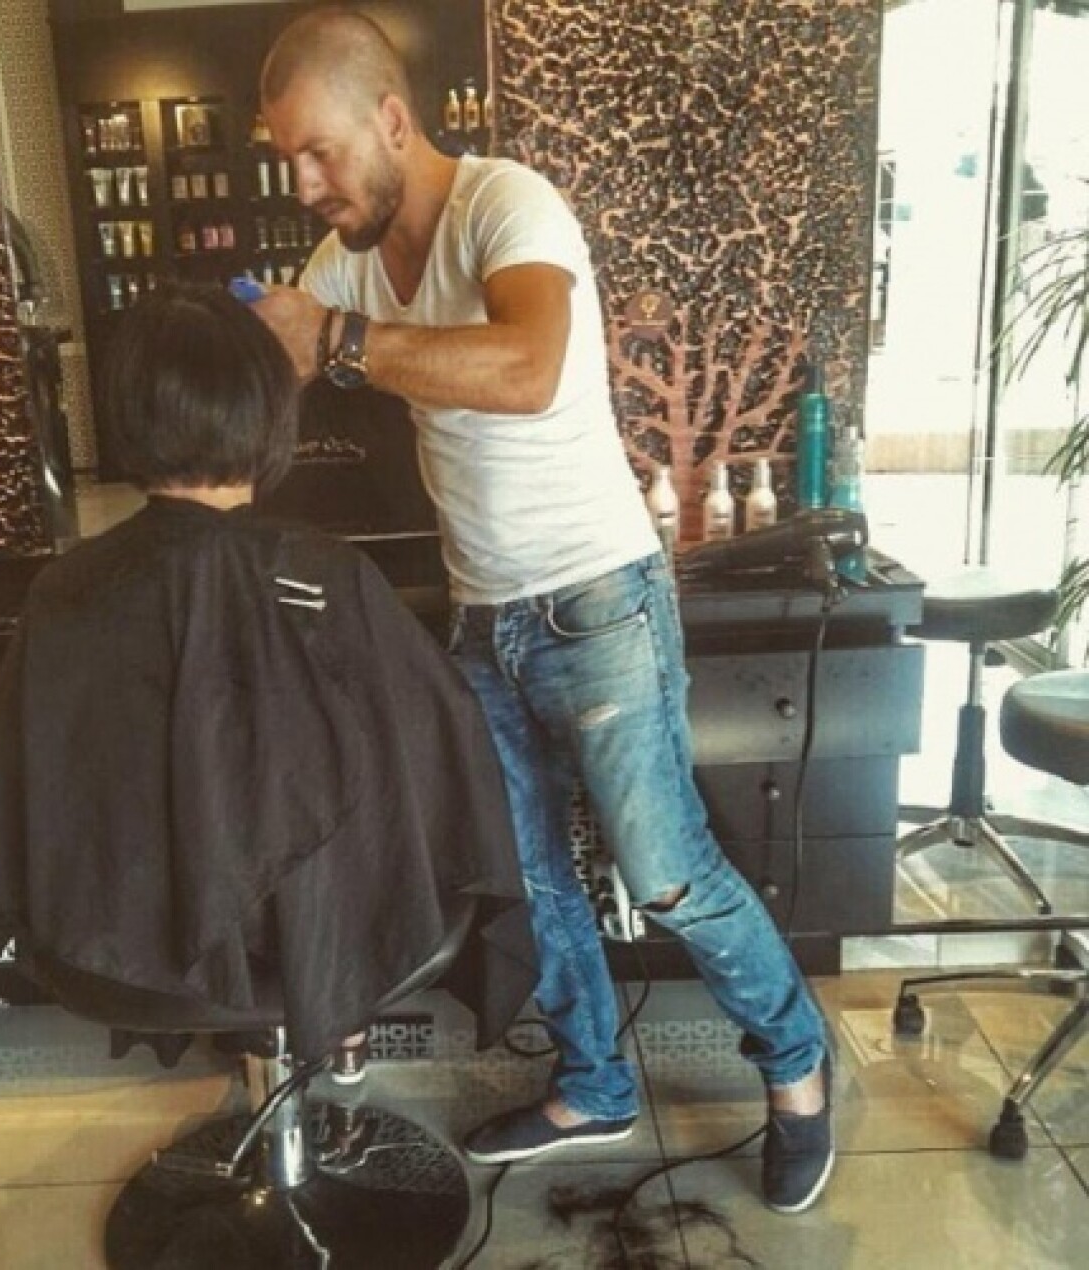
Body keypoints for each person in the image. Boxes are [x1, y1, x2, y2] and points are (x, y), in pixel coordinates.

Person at [252, 7, 834, 1214]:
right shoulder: (340, 263)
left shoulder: (507, 206)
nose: (302, 184)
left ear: (391, 120)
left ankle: (795, 1064)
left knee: (663, 873)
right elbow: (275, 377)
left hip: (598, 603)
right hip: (482, 620)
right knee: (526, 875)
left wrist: (339, 341)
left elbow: (525, 366)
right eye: (285, 159)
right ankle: (592, 1083)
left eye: (318, 152)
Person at [0, 282, 538, 1070]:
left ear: (127, 414)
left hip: (123, 942)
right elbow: (444, 757)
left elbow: (18, 784)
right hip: (327, 933)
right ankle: (333, 1019)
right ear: (270, 413)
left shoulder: (66, 589)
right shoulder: (328, 576)